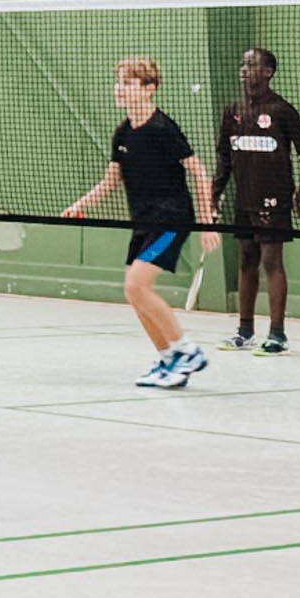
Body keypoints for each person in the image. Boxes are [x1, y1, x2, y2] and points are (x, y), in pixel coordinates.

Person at [64, 56, 221, 389]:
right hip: (143, 221)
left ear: (149, 89)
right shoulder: (122, 132)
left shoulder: (164, 129)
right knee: (134, 292)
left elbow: (200, 173)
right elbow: (110, 182)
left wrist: (207, 221)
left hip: (172, 218)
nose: (119, 89)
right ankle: (168, 361)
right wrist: (80, 205)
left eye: (129, 83)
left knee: (137, 285)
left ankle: (186, 350)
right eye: (118, 82)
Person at [212, 47, 300, 356]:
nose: (245, 69)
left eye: (253, 64)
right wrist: (213, 196)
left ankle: (278, 334)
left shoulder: (282, 110)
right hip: (244, 198)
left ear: (268, 72)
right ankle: (244, 332)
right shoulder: (232, 111)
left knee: (271, 260)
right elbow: (223, 157)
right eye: (243, 64)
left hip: (275, 198)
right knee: (246, 259)